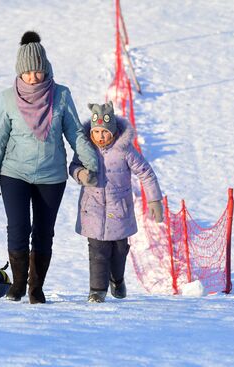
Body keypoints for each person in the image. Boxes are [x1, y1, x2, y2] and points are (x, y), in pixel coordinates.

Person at [0, 31, 98, 304]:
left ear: (45, 68)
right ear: (19, 72)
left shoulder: (60, 95)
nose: (33, 77)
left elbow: (74, 133)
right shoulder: (7, 98)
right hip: (15, 173)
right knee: (18, 228)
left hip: (51, 175)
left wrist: (91, 162)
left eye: (38, 71)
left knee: (44, 232)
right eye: (27, 72)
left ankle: (36, 288)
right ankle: (17, 285)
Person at [69, 101, 163, 303]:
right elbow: (73, 166)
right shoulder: (86, 149)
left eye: (104, 133)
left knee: (119, 250)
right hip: (92, 210)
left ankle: (117, 279)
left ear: (112, 132)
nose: (100, 137)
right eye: (96, 133)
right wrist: (81, 174)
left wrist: (155, 200)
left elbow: (145, 173)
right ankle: (97, 291)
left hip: (119, 211)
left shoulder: (125, 150)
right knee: (97, 252)